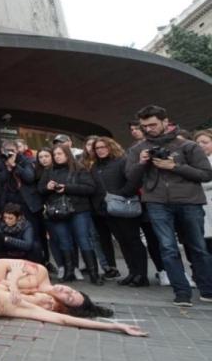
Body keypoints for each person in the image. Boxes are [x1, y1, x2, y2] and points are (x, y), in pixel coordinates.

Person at [126, 105, 212, 306]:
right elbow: (131, 179)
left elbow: (206, 174)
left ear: (166, 122)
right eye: (145, 125)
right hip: (157, 202)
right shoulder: (138, 149)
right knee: (168, 248)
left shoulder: (188, 146)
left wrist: (175, 167)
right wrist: (141, 164)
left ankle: (207, 289)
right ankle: (181, 292)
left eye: (153, 124)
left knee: (197, 247)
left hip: (189, 201)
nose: (149, 129)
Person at [88, 137, 149, 286]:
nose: (100, 150)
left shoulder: (122, 161)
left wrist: (122, 194)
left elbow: (134, 180)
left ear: (111, 147)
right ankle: (132, 272)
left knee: (133, 240)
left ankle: (141, 275)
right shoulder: (95, 166)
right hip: (107, 210)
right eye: (97, 148)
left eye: (103, 147)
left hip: (125, 206)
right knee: (122, 241)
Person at [40, 145, 102, 285]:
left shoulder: (79, 168)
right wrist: (47, 187)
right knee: (64, 241)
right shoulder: (49, 171)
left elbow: (90, 188)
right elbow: (40, 190)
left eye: (60, 153)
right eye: (55, 154)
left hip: (78, 209)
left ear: (67, 154)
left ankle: (94, 274)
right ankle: (69, 272)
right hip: (57, 211)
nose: (57, 156)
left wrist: (67, 188)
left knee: (83, 240)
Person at [0, 141, 46, 266]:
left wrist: (15, 165)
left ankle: (41, 262)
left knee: (34, 234)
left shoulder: (24, 160)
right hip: (8, 203)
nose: (10, 153)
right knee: (9, 233)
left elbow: (29, 177)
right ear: (2, 150)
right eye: (7, 150)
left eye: (12, 150)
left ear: (17, 150)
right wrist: (7, 169)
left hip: (26, 203)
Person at [196, 129, 212, 254]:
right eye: (198, 143)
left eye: (205, 142)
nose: (201, 145)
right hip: (201, 204)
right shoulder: (193, 161)